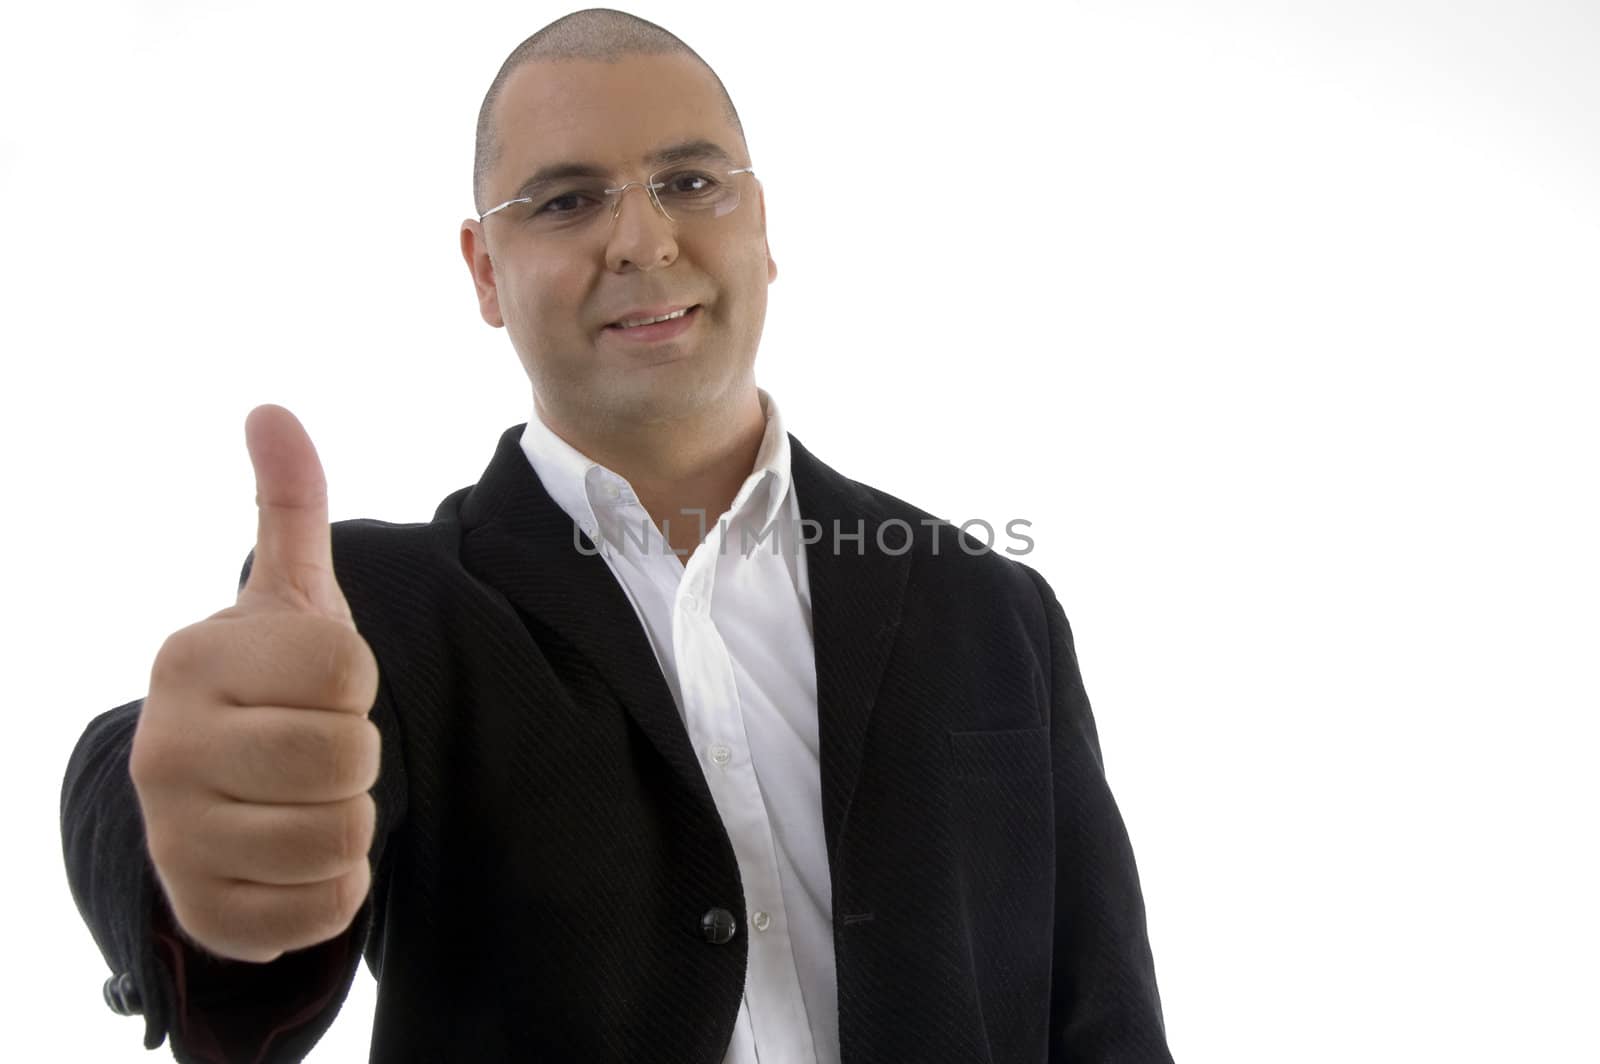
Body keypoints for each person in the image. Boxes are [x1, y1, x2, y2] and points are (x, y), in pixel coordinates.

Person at [60, 8, 1174, 1063]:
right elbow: (228, 850)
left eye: (690, 181)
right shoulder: (375, 604)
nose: (642, 239)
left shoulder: (989, 604)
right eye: (563, 201)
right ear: (484, 272)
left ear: (763, 226)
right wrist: (180, 836)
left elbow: (1105, 1018)